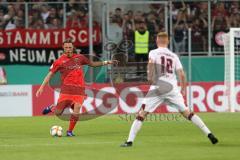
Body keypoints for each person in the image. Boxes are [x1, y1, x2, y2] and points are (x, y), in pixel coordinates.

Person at [120, 32, 218, 147]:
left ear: (157, 40)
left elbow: (151, 65)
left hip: (158, 87)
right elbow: (181, 73)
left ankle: (130, 141)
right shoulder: (173, 56)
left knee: (142, 113)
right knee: (187, 113)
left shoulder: (153, 52)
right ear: (168, 41)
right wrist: (183, 89)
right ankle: (209, 134)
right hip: (172, 88)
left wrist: (149, 77)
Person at [36, 38, 117, 136]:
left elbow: (92, 64)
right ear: (63, 48)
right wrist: (41, 87)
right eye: (66, 47)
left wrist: (106, 62)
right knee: (58, 112)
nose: (68, 49)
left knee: (77, 108)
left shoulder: (80, 58)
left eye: (70, 47)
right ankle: (52, 107)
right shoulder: (59, 61)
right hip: (66, 90)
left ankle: (69, 131)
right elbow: (49, 75)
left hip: (79, 90)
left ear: (73, 47)